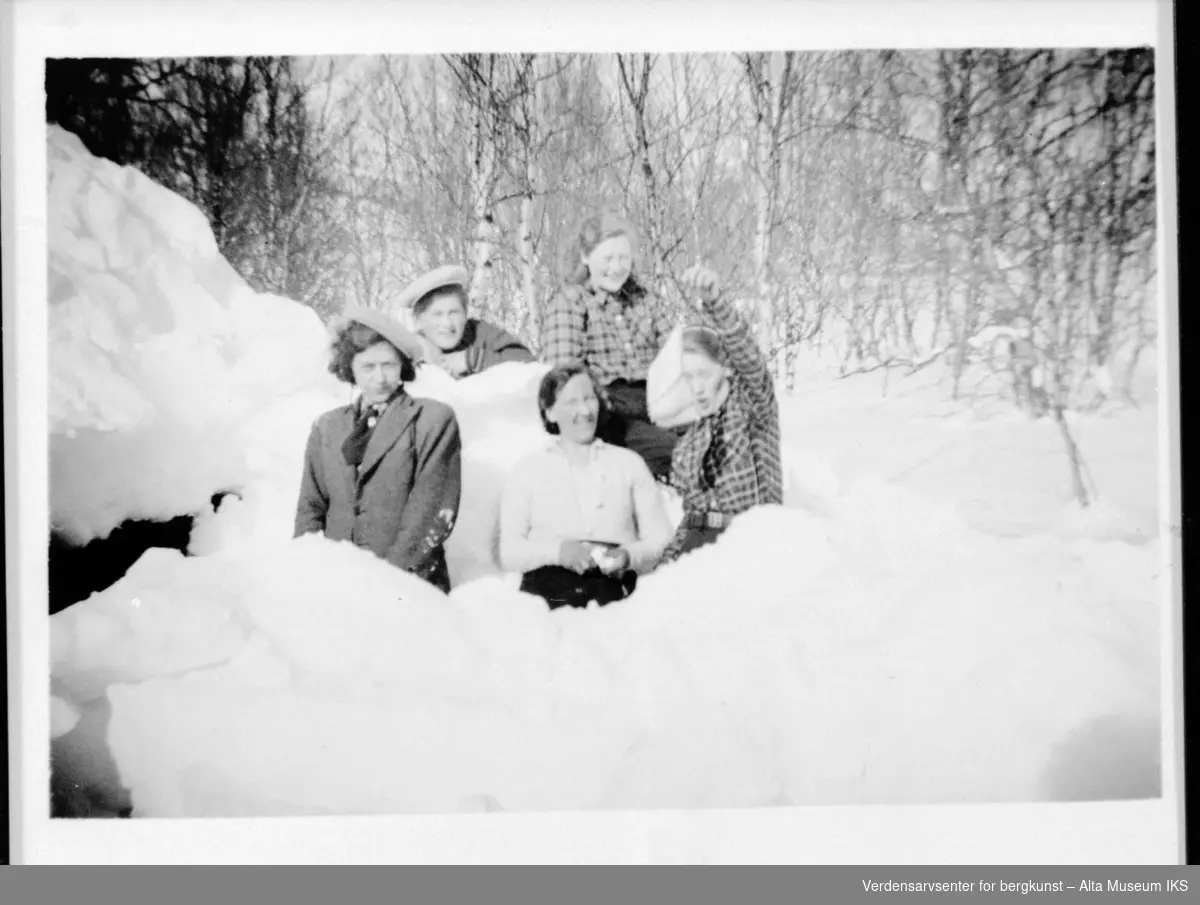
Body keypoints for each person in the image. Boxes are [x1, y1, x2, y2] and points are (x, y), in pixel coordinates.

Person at [294, 306, 462, 593]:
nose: (380, 378)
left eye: (389, 365)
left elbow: (430, 512)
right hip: (337, 587)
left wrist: (387, 583)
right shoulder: (327, 428)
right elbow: (311, 507)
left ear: (403, 366)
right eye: (368, 367)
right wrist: (308, 576)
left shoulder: (432, 420)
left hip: (408, 587)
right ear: (350, 369)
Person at [499, 363, 673, 610]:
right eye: (571, 402)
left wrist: (627, 555)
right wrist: (558, 553)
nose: (584, 410)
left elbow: (661, 539)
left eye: (589, 398)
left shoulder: (628, 463)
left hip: (613, 593)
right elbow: (509, 551)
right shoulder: (529, 470)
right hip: (548, 594)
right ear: (549, 412)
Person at [540, 211, 681, 482]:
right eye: (607, 258)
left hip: (658, 399)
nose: (616, 267)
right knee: (677, 453)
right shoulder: (570, 302)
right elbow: (566, 377)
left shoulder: (645, 301)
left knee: (717, 439)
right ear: (585, 257)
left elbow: (674, 354)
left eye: (623, 258)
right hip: (611, 408)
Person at [660, 265, 784, 562]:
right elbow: (691, 522)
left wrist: (715, 302)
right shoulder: (688, 444)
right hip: (703, 547)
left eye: (702, 374)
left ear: (725, 367)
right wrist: (666, 565)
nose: (696, 387)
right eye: (687, 378)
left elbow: (749, 358)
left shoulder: (752, 406)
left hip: (753, 543)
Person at [397, 264, 534, 378]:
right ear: (419, 320)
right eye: (437, 315)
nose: (447, 323)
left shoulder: (481, 334)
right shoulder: (407, 355)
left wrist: (471, 359)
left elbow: (529, 364)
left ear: (465, 314)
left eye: (454, 313)